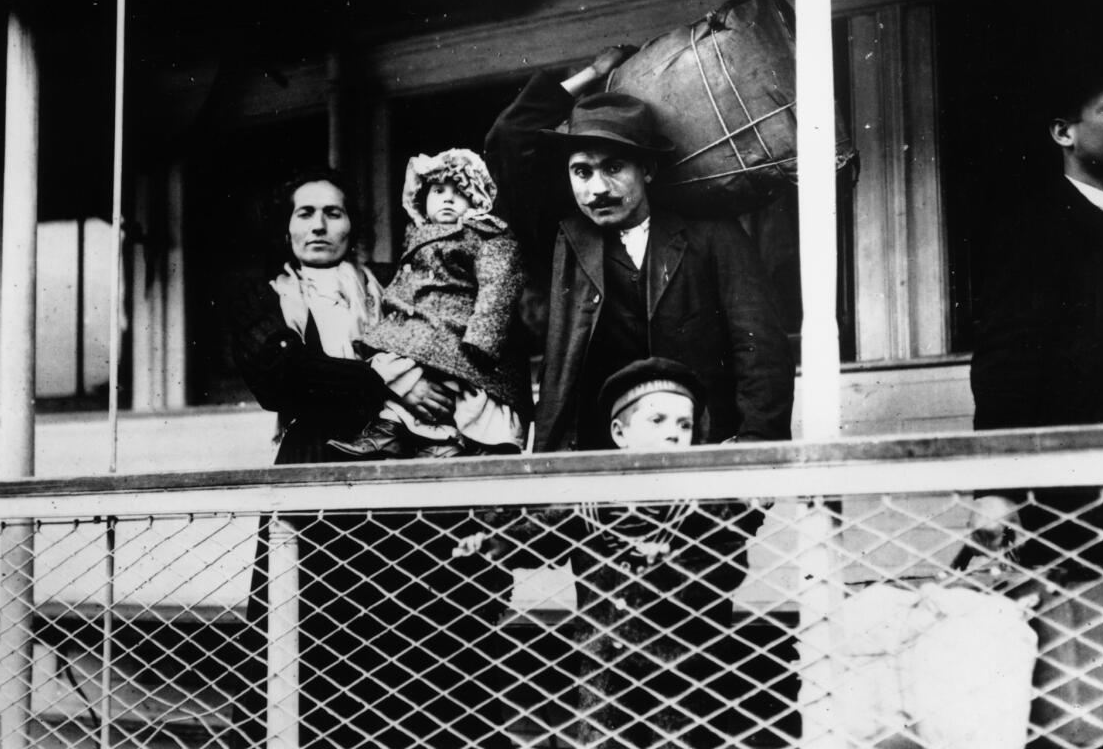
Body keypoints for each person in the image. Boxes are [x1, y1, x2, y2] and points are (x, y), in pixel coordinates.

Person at [231, 170, 504, 748]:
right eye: (305, 212)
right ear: (285, 226)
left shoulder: (391, 284)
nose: (319, 225)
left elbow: (450, 330)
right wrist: (390, 380)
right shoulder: (266, 293)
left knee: (404, 629)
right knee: (308, 626)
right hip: (313, 468)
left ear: (353, 224)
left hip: (397, 465)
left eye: (334, 212)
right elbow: (282, 375)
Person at [484, 46, 794, 452]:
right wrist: (592, 72)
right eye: (582, 171)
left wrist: (756, 447)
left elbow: (761, 349)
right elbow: (507, 138)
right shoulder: (564, 237)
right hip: (589, 466)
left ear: (647, 170)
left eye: (614, 168)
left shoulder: (712, 235)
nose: (597, 189)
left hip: (696, 454)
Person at [969, 62, 1103, 745]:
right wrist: (999, 489)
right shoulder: (1033, 230)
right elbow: (1008, 371)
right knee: (1094, 700)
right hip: (1085, 512)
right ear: (1063, 132)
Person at [459, 357, 764, 747]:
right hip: (603, 665)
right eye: (658, 421)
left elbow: (726, 564)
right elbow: (543, 532)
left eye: (684, 424)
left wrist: (671, 566)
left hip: (679, 665)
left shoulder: (702, 503)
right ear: (620, 433)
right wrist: (495, 542)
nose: (674, 434)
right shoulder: (592, 499)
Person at [331, 148, 531, 459]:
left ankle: (452, 442)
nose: (448, 199)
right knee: (395, 367)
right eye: (438, 191)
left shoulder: (485, 234)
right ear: (422, 200)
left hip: (457, 327)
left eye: (460, 192)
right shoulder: (417, 236)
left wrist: (483, 338)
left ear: (478, 200)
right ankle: (391, 430)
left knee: (461, 389)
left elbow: (500, 282)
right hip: (419, 326)